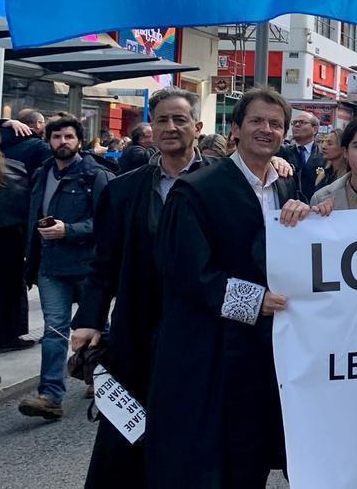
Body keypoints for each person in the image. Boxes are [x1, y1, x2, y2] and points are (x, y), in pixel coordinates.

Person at [146, 88, 316, 487]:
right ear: (235, 129)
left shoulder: (285, 187)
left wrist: (309, 215)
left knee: (255, 451)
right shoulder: (197, 191)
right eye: (257, 121)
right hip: (214, 349)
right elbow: (188, 275)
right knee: (215, 458)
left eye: (276, 124)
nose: (266, 129)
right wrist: (254, 301)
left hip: (268, 348)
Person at [70, 88, 218, 487]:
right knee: (126, 429)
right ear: (151, 129)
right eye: (163, 120)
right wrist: (89, 319)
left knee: (191, 427)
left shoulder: (221, 183)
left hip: (200, 327)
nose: (171, 128)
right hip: (137, 325)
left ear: (198, 127)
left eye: (180, 119)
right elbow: (104, 263)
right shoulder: (123, 190)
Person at [18, 116, 113, 420]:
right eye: (57, 137)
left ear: (80, 142)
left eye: (68, 137)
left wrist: (68, 230)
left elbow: (106, 224)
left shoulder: (95, 175)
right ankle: (50, 395)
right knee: (54, 330)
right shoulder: (41, 174)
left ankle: (102, 381)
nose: (63, 142)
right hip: (51, 266)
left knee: (97, 327)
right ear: (49, 141)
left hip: (87, 266)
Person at [0, 147, 31, 353]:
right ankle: (8, 335)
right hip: (10, 239)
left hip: (9, 238)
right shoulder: (15, 170)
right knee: (10, 290)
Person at [279, 110, 323, 202]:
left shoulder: (323, 155)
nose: (297, 125)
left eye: (302, 122)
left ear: (314, 129)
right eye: (294, 123)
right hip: (288, 205)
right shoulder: (282, 152)